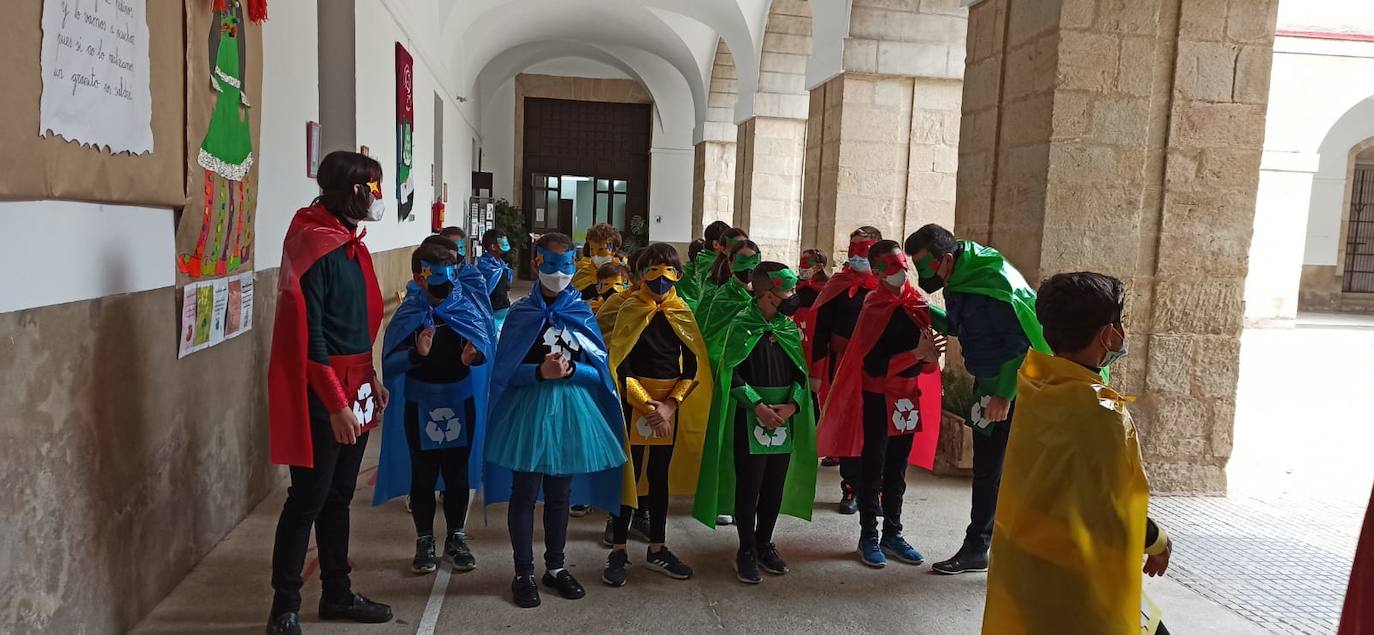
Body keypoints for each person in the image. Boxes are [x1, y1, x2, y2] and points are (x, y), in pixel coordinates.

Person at [982, 272, 1173, 635]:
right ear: (1107, 334)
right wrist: (1156, 540)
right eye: (1119, 322)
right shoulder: (1100, 412)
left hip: (1027, 557)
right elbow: (1112, 506)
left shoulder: (1039, 384)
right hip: (1074, 570)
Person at [265, 151, 393, 634]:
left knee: (339, 497)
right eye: (373, 189)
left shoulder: (347, 242)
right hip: (326, 393)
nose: (378, 198)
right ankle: (284, 606)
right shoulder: (313, 242)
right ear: (351, 191)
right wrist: (337, 405)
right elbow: (311, 335)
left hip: (358, 385)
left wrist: (372, 378)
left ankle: (337, 592)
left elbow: (356, 327)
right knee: (308, 499)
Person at [481, 232, 628, 609]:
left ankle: (556, 567)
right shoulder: (520, 314)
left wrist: (572, 370)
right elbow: (503, 372)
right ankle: (522, 571)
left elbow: (601, 374)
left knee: (561, 494)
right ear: (536, 264)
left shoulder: (581, 313)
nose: (559, 273)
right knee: (525, 493)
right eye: (551, 264)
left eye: (566, 266)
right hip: (528, 414)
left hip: (570, 412)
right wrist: (538, 373)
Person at [903, 224, 1052, 575]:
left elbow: (1020, 344)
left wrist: (1003, 394)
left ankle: (989, 547)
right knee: (990, 470)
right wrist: (919, 309)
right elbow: (959, 326)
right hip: (988, 384)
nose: (924, 275)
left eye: (925, 267)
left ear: (947, 258)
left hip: (1014, 389)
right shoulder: (961, 278)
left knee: (1001, 471)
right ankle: (985, 546)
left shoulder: (994, 281)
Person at [816, 241, 942, 568]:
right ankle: (868, 536)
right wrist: (914, 356)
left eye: (903, 265)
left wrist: (928, 359)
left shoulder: (917, 304)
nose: (900, 272)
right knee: (874, 466)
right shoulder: (874, 305)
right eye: (891, 266)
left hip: (907, 399)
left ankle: (893, 534)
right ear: (876, 270)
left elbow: (927, 361)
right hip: (877, 398)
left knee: (898, 470)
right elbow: (872, 364)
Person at [372, 241, 494, 576]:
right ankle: (424, 539)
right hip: (420, 404)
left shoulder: (466, 310)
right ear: (419, 276)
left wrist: (475, 357)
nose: (443, 279)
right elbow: (391, 366)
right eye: (435, 272)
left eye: (449, 271)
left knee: (456, 474)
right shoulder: (409, 315)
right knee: (423, 476)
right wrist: (417, 354)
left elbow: (484, 350)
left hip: (459, 401)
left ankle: (456, 537)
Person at [693, 262, 818, 584]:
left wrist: (793, 404)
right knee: (750, 485)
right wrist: (757, 405)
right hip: (750, 416)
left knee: (774, 484)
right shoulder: (741, 326)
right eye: (787, 291)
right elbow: (729, 371)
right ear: (766, 295)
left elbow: (799, 373)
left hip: (783, 418)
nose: (792, 297)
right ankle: (746, 548)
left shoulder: (787, 328)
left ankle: (765, 542)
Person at [600, 243, 712, 587]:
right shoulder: (628, 309)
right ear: (638, 274)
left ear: (678, 275)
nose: (661, 278)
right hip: (635, 402)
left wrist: (669, 405)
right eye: (652, 270)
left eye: (668, 271)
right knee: (627, 477)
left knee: (659, 477)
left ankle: (658, 546)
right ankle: (618, 549)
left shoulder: (682, 311)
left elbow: (692, 364)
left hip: (668, 405)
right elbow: (620, 363)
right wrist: (647, 406)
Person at [809, 227, 882, 514]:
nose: (856, 256)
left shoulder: (889, 284)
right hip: (842, 368)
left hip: (880, 368)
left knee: (876, 429)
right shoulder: (838, 284)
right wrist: (816, 373)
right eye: (853, 249)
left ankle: (875, 490)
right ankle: (850, 487)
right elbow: (821, 328)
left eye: (863, 250)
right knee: (848, 426)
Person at [792, 249, 832, 467]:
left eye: (805, 264)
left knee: (822, 399)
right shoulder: (797, 290)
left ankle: (826, 445)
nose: (801, 268)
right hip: (799, 346)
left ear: (818, 267)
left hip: (818, 350)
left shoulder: (825, 292)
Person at [698, 238, 762, 366]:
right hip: (731, 363)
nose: (749, 267)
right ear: (730, 263)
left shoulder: (764, 295)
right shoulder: (723, 297)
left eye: (754, 262)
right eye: (743, 261)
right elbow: (715, 338)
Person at [679, 221, 730, 310]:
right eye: (729, 242)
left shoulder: (703, 259)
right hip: (711, 311)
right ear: (716, 244)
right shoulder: (714, 264)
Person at [477, 228, 514, 332]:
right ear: (493, 246)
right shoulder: (484, 266)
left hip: (503, 308)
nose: (506, 246)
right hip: (490, 310)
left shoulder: (502, 265)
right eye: (503, 243)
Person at [571, 223, 623, 296]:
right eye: (592, 249)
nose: (596, 255)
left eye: (601, 249)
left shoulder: (623, 274)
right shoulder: (582, 273)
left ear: (613, 250)